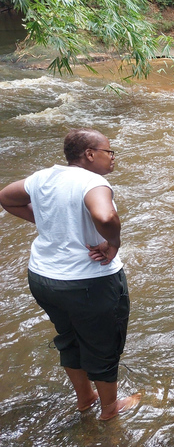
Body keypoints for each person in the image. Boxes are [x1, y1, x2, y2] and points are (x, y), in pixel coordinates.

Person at [0, 129, 141, 421]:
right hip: (89, 282)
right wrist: (113, 244)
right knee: (103, 344)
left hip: (43, 278)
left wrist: (48, 221)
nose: (113, 158)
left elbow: (6, 197)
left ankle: (84, 398)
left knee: (69, 337)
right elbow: (105, 217)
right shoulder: (94, 182)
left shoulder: (43, 177)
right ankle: (110, 409)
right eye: (109, 151)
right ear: (90, 154)